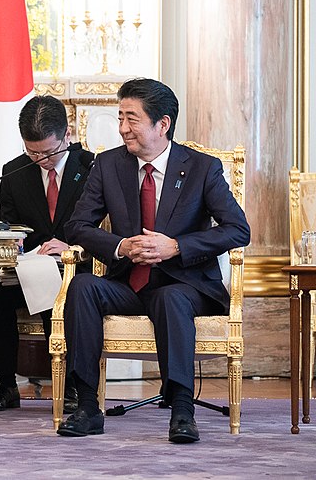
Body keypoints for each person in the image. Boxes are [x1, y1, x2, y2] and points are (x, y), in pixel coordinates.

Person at [57, 78, 250, 443]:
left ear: (163, 124)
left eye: (132, 119)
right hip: (128, 282)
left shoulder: (201, 168)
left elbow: (238, 230)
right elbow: (77, 226)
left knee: (170, 297)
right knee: (82, 286)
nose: (123, 128)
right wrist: (121, 246)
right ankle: (86, 406)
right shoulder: (108, 164)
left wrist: (176, 246)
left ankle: (181, 409)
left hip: (185, 284)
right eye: (120, 118)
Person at [0, 95, 94, 412]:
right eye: (32, 152)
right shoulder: (13, 173)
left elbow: (103, 224)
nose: (41, 160)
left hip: (76, 266)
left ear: (67, 136)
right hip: (27, 267)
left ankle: (71, 384)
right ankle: (5, 384)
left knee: (61, 293)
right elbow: (8, 225)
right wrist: (13, 243)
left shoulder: (92, 167)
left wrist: (75, 247)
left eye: (48, 152)